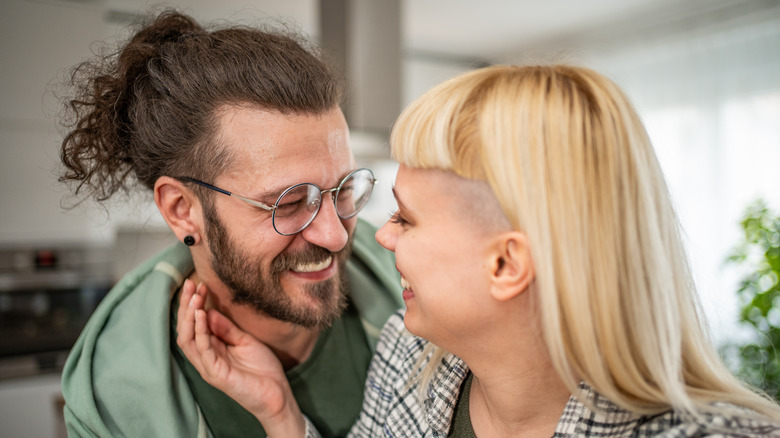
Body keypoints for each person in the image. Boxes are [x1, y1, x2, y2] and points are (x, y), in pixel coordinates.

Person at [177, 64, 780, 437]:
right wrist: (281, 415)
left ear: (506, 264)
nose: (374, 237)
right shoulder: (405, 361)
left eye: (406, 219)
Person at [57, 9, 402, 438]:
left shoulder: (407, 277)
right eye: (289, 203)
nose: (334, 236)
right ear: (182, 209)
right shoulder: (113, 403)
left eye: (344, 189)